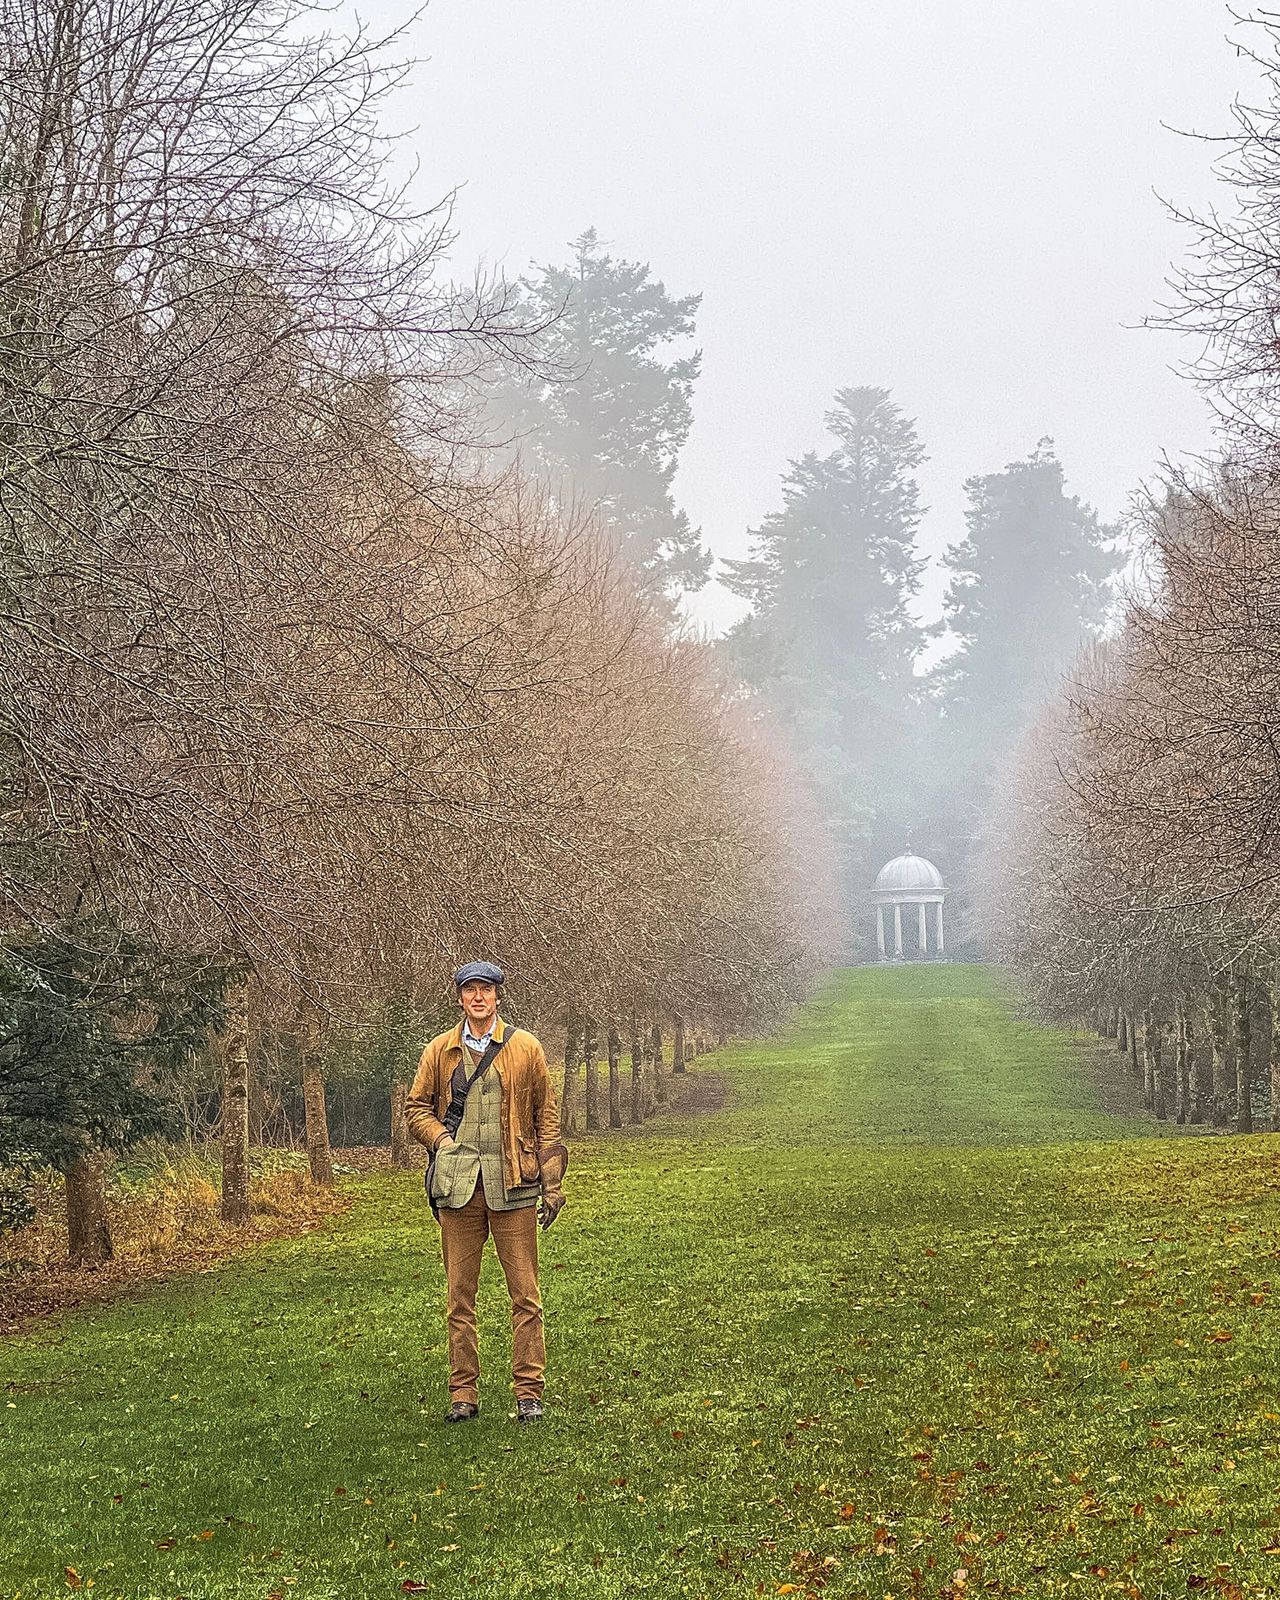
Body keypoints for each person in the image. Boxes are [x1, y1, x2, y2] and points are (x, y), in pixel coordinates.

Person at [405, 962, 568, 1424]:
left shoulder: (526, 1047)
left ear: (498, 996)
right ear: (460, 997)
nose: (478, 997)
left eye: (486, 989)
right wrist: (442, 1141)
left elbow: (545, 1115)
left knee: (526, 1296)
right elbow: (416, 1108)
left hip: (514, 1185)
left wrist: (552, 1183)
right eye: (470, 990)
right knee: (460, 1297)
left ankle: (528, 1392)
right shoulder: (440, 1050)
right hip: (458, 1190)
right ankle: (463, 1394)